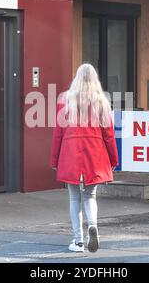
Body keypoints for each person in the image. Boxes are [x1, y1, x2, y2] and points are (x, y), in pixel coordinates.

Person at [50, 63, 119, 253]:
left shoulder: (65, 101)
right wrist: (114, 160)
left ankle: (78, 241)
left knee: (74, 198)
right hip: (94, 155)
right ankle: (93, 226)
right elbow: (109, 135)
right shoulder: (102, 102)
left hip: (70, 154)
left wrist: (54, 160)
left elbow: (58, 134)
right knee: (90, 196)